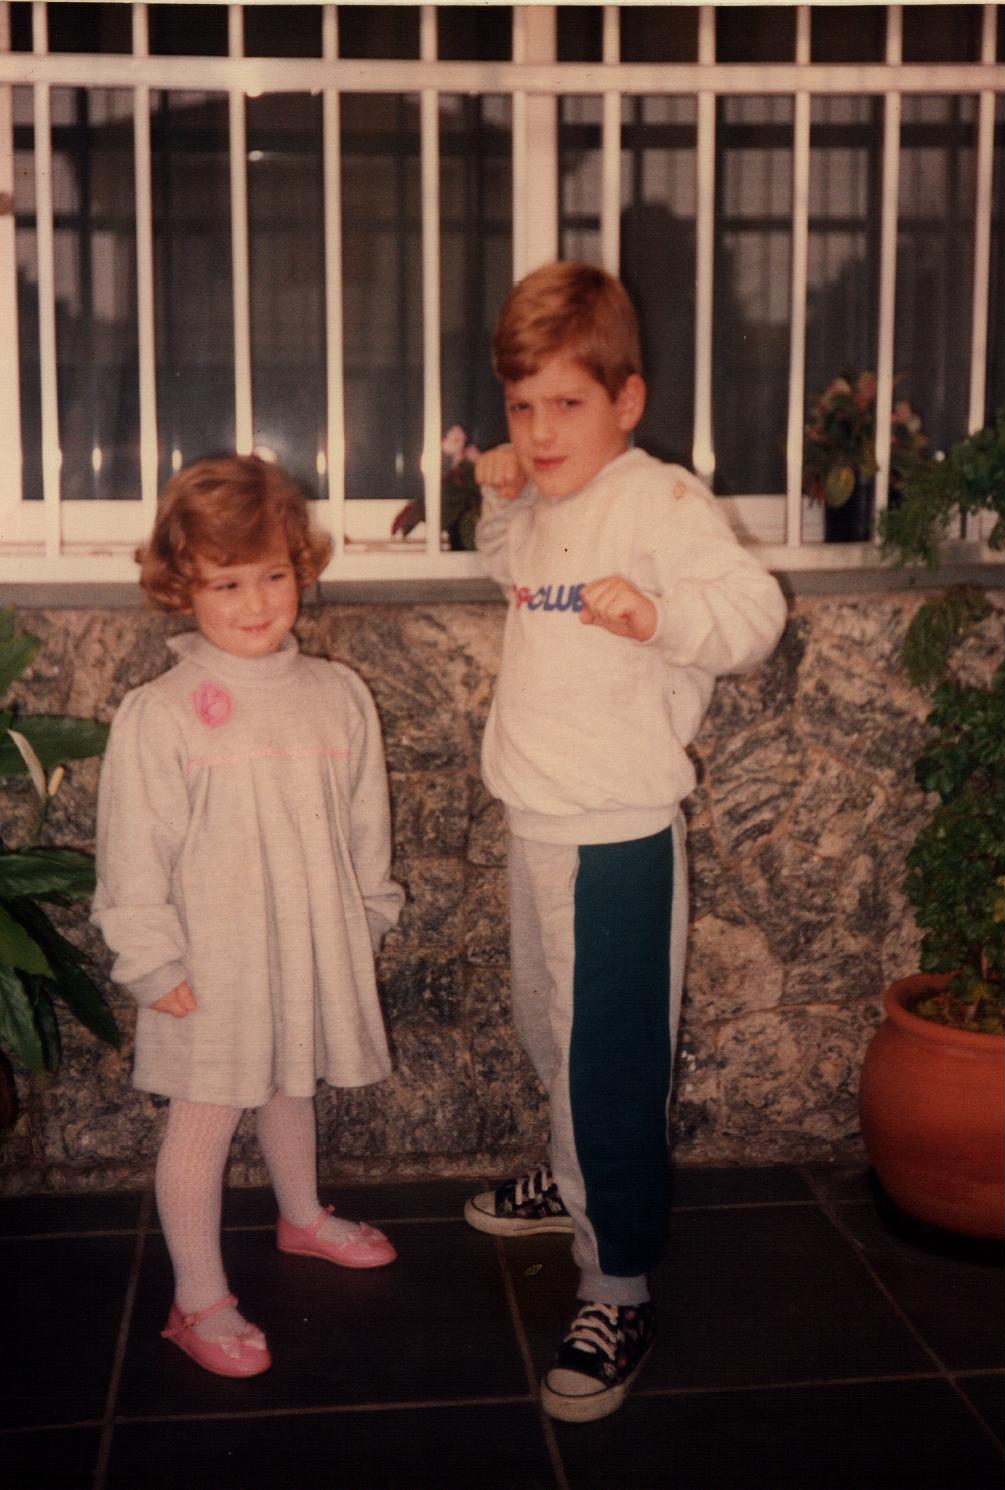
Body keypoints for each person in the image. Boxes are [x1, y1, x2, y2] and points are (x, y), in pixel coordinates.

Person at [465, 261, 787, 1422]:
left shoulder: (660, 501)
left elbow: (753, 614)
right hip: (537, 820)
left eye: (567, 404)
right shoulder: (547, 502)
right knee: (550, 1025)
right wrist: (502, 496)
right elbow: (506, 564)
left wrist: (662, 616)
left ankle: (620, 1279)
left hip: (618, 839)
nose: (541, 430)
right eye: (520, 405)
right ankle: (578, 1171)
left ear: (628, 400)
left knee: (612, 1059)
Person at [92, 455, 403, 1379]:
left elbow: (363, 821)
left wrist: (369, 915)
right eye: (227, 582)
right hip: (211, 958)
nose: (257, 601)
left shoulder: (336, 694)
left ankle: (300, 1215)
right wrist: (151, 961)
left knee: (290, 1081)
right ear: (182, 586)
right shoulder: (163, 713)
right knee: (207, 1110)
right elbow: (133, 850)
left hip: (306, 943)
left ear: (300, 570)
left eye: (273, 574)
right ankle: (198, 1300)